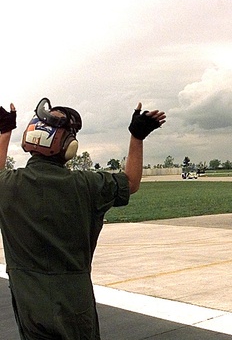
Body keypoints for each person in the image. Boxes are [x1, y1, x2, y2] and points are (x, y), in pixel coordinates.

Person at [0, 98, 166, 339]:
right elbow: (130, 182)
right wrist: (137, 137)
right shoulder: (87, 185)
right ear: (68, 145)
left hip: (28, 302)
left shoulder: (7, 186)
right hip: (73, 304)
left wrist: (5, 131)